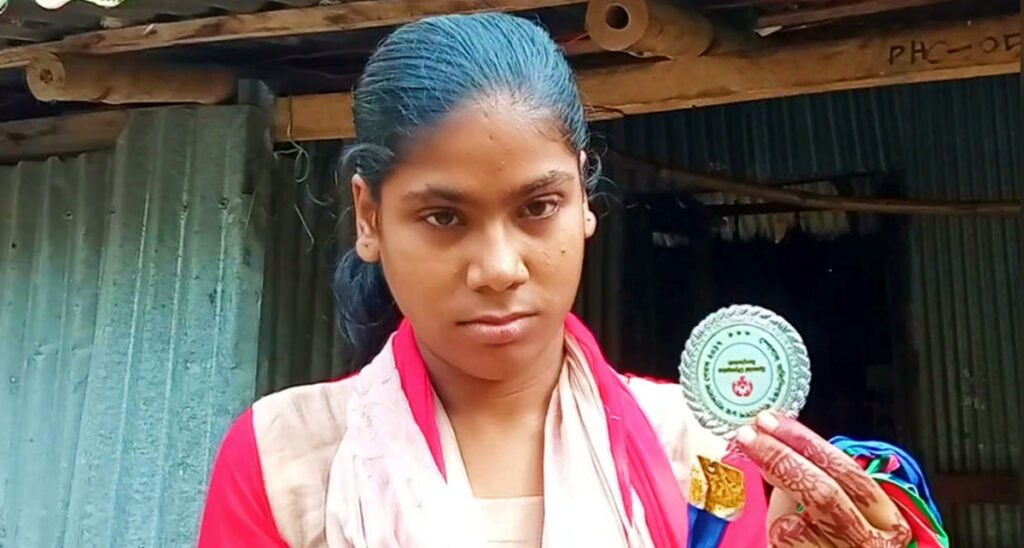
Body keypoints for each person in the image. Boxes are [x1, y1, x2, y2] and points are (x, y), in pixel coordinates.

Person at [198, 13, 935, 548]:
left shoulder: (694, 448)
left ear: (584, 199)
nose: (499, 269)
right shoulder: (287, 460)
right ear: (369, 217)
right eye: (443, 217)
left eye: (537, 207)